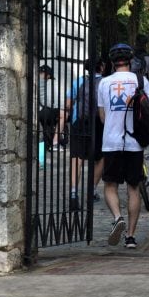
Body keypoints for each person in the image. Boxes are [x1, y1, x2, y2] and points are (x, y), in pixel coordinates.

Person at [98, 43, 149, 249]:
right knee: (133, 188)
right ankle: (131, 237)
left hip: (111, 141)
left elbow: (102, 115)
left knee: (110, 185)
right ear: (131, 60)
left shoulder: (104, 83)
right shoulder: (140, 80)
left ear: (112, 62)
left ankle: (117, 217)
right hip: (134, 142)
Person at [66, 57, 105, 211]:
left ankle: (74, 193)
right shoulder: (105, 82)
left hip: (79, 123)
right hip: (99, 124)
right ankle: (92, 190)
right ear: (101, 67)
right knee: (101, 158)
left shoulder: (78, 82)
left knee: (77, 159)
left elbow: (68, 104)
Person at [38, 64, 66, 149]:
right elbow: (44, 101)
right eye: (49, 77)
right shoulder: (41, 81)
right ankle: (55, 142)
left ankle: (48, 143)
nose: (48, 79)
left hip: (39, 110)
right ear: (47, 74)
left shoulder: (35, 79)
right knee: (63, 115)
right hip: (41, 111)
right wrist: (58, 106)